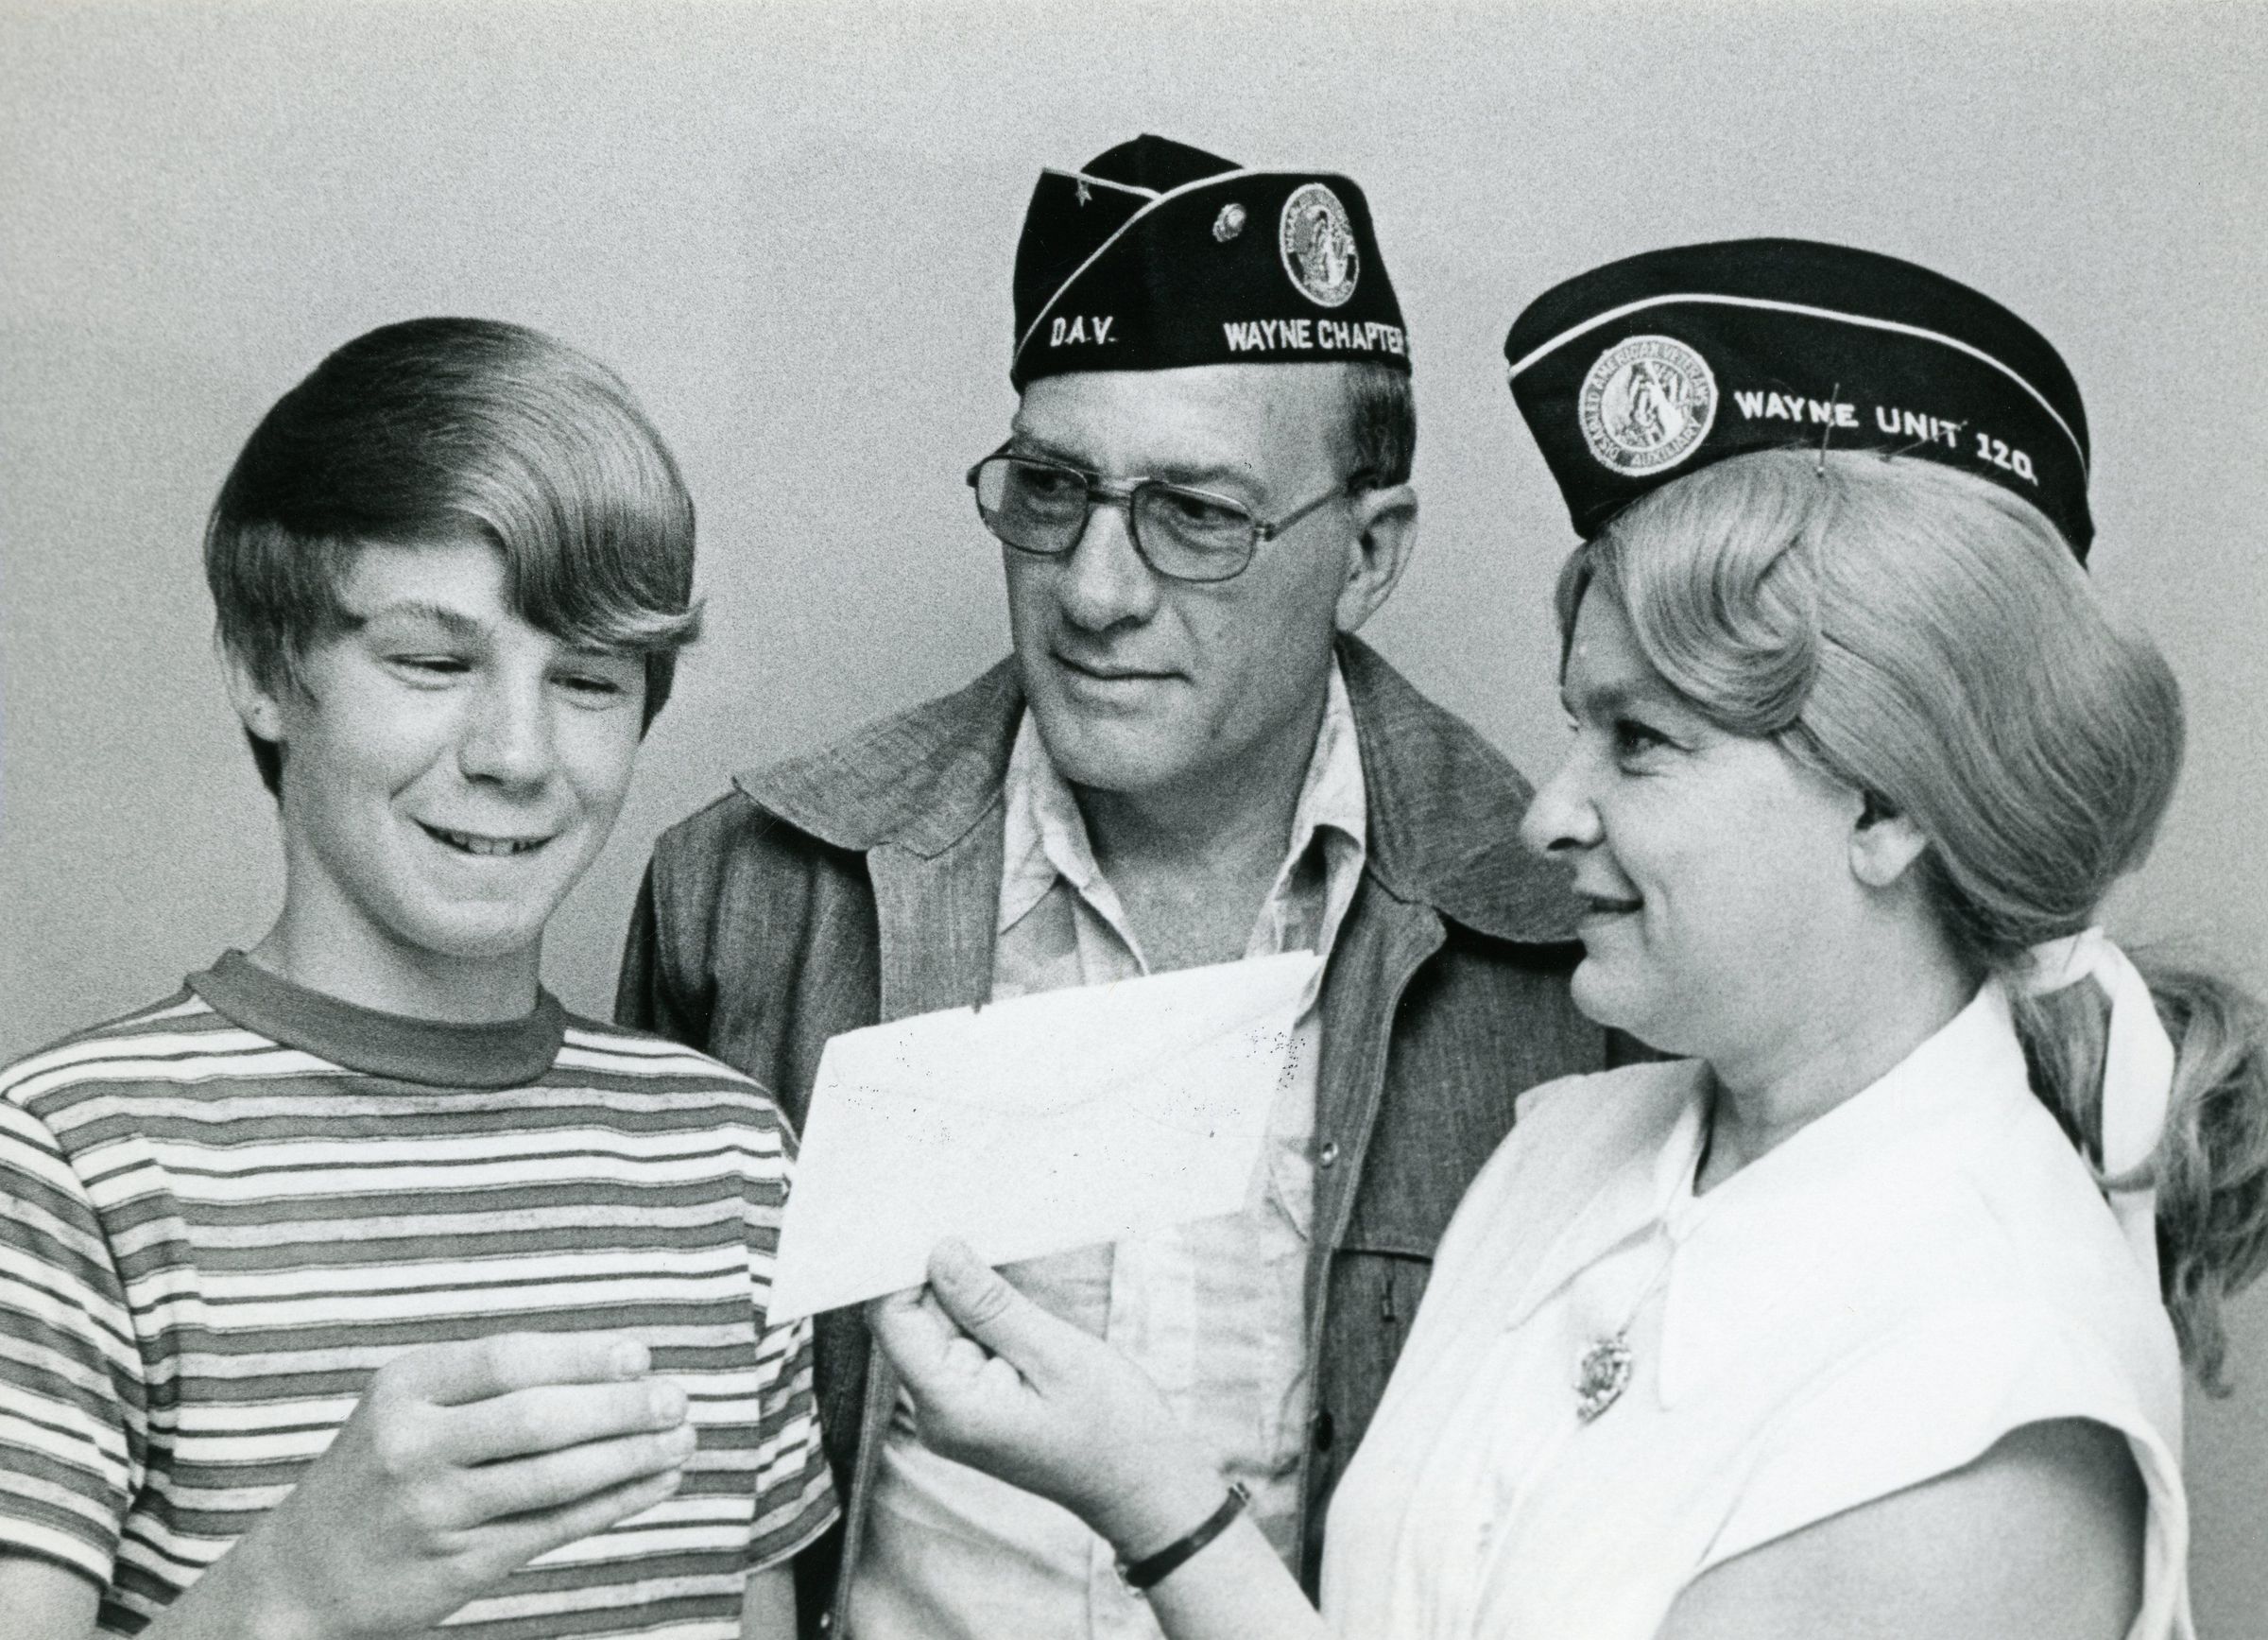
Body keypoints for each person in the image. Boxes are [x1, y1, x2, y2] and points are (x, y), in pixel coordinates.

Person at [863, 239, 2268, 1640]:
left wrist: (1152, 1500)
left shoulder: (1986, 1405)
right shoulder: (1570, 1149)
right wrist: (1152, 1489)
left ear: (1888, 805)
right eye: (1576, 724)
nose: (1546, 813)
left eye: (1641, 742)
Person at [616, 134, 1615, 1637]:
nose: (1093, 590)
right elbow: (675, 1507)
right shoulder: (758, 890)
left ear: (1368, 553)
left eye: (1196, 514)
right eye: (1050, 490)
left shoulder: (1564, 940)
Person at [0, 319, 836, 1640]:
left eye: (589, 678)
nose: (517, 752)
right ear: (264, 669)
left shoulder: (727, 1158)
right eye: (434, 663)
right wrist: (299, 1586)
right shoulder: (67, 1165)